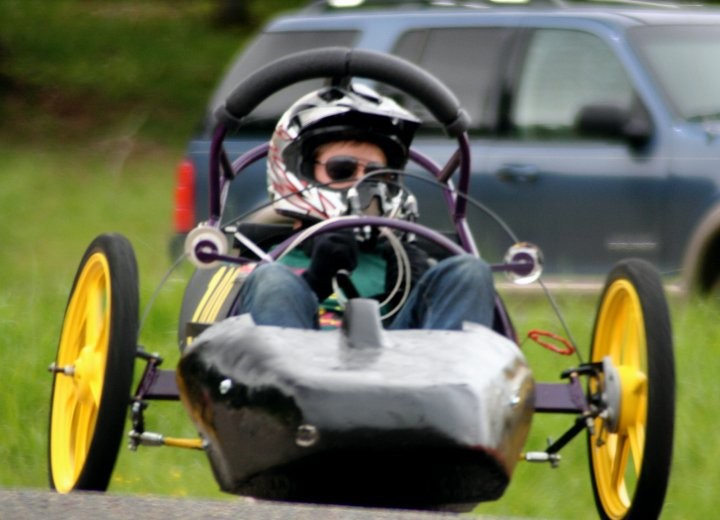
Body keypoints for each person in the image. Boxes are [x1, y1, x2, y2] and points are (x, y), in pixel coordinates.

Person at [232, 83, 495, 331]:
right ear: (301, 173)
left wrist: (411, 294)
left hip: (407, 360)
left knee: (469, 270)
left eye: (378, 174)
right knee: (273, 279)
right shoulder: (262, 258)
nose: (362, 184)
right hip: (295, 358)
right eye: (342, 169)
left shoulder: (409, 263)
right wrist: (314, 284)